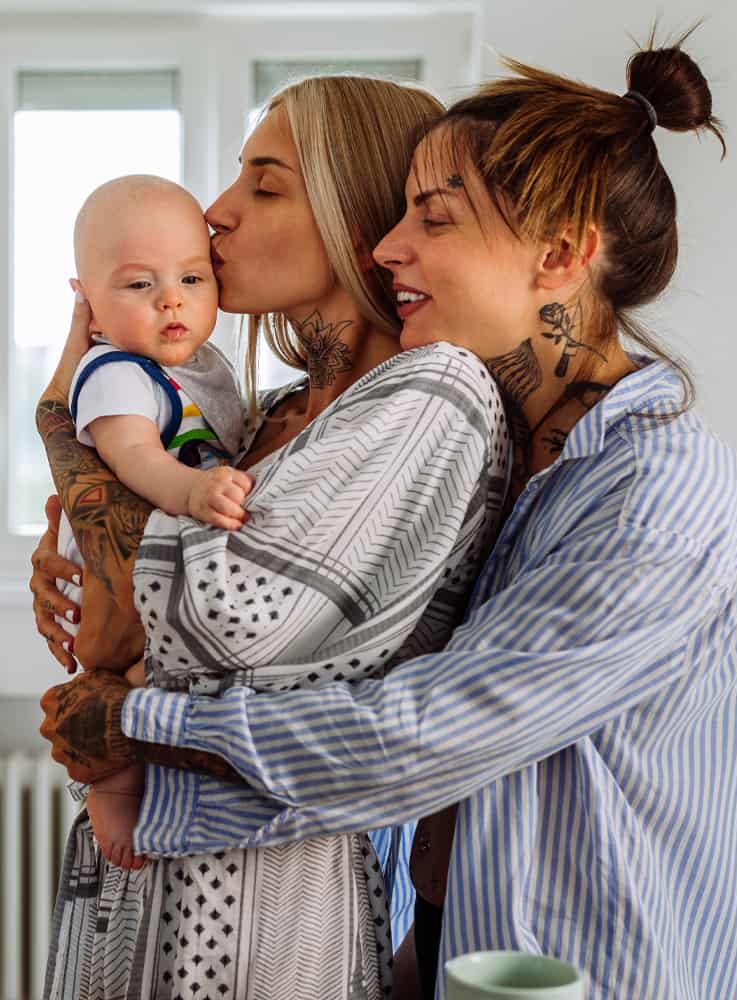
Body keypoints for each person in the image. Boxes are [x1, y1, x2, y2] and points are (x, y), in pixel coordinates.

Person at [35, 34, 737, 1000]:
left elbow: (429, 733)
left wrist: (133, 720)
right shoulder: (521, 452)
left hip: (611, 971)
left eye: (435, 220)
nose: (386, 245)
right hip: (463, 954)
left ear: (563, 254)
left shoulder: (654, 486)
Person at [32, 75, 514, 1000]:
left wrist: (65, 427)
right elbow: (109, 628)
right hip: (133, 881)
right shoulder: (261, 417)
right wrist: (87, 536)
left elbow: (207, 617)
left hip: (257, 906)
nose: (215, 214)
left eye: (265, 184)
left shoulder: (428, 395)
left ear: (354, 209)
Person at [55, 174, 250, 870]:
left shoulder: (203, 367)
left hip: (159, 572)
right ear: (92, 308)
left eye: (193, 278)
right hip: (109, 584)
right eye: (139, 285)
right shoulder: (114, 371)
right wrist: (194, 492)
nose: (172, 298)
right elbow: (132, 454)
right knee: (112, 677)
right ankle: (108, 786)